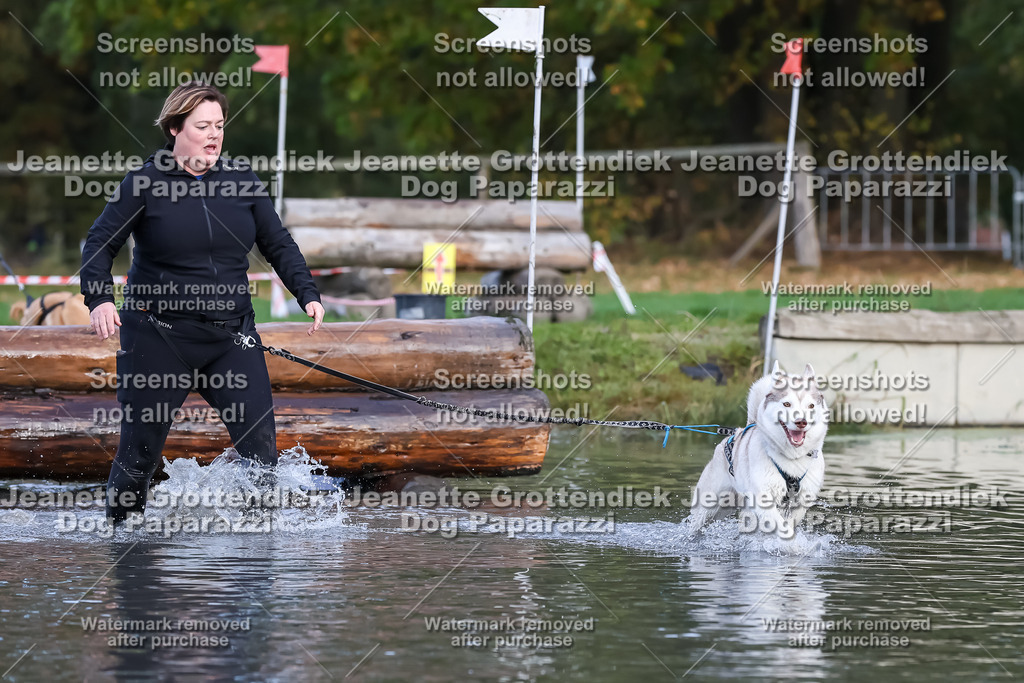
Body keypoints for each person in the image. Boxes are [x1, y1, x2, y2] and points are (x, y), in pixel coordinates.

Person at [80, 82, 326, 523]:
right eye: (202, 126)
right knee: (139, 455)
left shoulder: (241, 180)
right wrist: (99, 298)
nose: (214, 134)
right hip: (158, 337)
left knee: (261, 454)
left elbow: (278, 242)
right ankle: (122, 541)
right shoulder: (144, 182)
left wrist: (306, 292)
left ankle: (259, 547)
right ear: (175, 128)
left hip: (232, 337)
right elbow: (100, 243)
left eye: (219, 125)